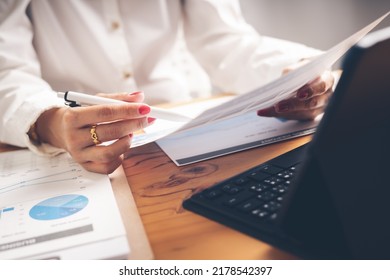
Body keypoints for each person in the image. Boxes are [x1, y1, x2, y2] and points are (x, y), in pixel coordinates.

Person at [0, 0, 334, 174]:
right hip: (75, 153)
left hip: (187, 136)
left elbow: (224, 39)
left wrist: (298, 73)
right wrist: (50, 122)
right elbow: (7, 69)